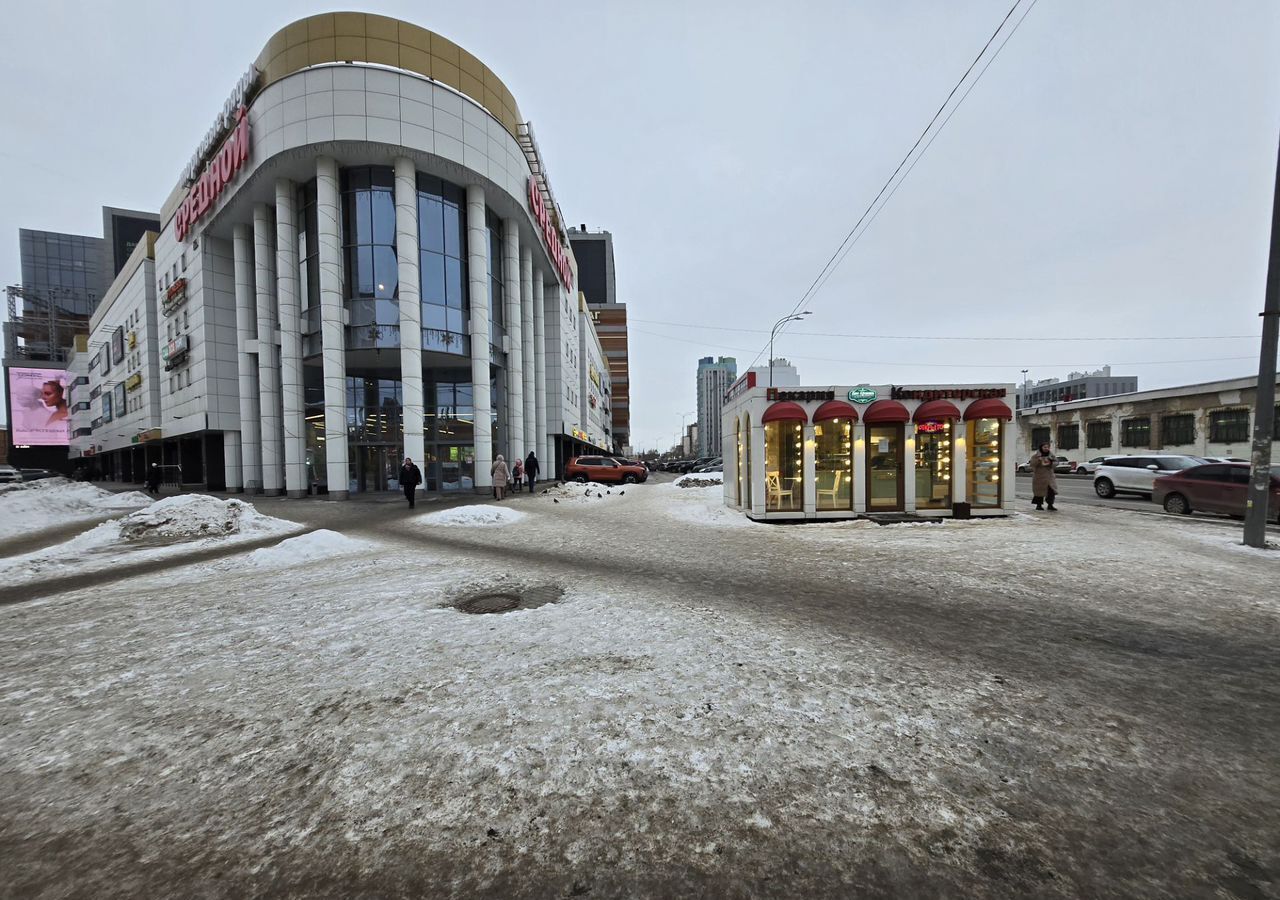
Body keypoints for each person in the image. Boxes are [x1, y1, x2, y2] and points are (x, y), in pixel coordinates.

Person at [1029, 442, 1058, 512]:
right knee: (1039, 491)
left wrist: (1051, 463)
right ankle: (1039, 505)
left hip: (1049, 477)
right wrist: (1038, 461)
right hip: (1039, 476)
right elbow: (1032, 464)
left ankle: (1050, 505)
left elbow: (1056, 462)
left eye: (1047, 447)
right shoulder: (1036, 456)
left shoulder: (1051, 455)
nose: (1046, 448)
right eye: (1044, 447)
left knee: (1051, 491)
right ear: (1041, 448)